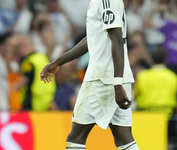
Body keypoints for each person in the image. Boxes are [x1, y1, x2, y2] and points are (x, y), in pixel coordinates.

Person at [40, 0, 139, 150]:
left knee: (76, 137)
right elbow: (93, 39)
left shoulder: (106, 1)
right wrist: (59, 62)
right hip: (114, 76)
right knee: (123, 136)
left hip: (104, 78)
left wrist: (117, 84)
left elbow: (117, 40)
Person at [134, 48, 177, 120]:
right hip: (167, 112)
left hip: (146, 111)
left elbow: (136, 94)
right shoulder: (173, 76)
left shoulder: (142, 76)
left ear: (151, 59)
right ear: (165, 60)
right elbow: (175, 94)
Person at [16, 37, 56, 111]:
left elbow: (22, 82)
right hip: (46, 102)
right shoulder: (43, 57)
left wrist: (13, 88)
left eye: (23, 46)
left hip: (32, 102)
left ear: (32, 45)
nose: (21, 49)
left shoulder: (29, 62)